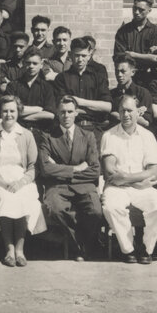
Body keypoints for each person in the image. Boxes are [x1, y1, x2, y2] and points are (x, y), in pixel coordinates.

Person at [100, 95, 157, 264]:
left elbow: (153, 172)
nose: (126, 115)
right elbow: (110, 171)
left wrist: (126, 178)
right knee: (111, 207)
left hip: (142, 188)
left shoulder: (148, 136)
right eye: (122, 110)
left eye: (130, 111)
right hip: (118, 188)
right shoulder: (109, 135)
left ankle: (146, 248)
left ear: (138, 113)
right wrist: (138, 180)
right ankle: (128, 249)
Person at [0, 95, 44, 267]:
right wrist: (2, 183)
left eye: (12, 111)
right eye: (5, 111)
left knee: (22, 198)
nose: (8, 114)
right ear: (0, 113)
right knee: (5, 199)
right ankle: (8, 249)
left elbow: (32, 167)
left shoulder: (27, 135)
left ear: (18, 112)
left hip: (21, 179)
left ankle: (20, 250)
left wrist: (20, 183)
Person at [38, 96, 103, 261]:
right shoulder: (48, 136)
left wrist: (60, 170)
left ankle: (82, 243)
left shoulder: (88, 136)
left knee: (95, 211)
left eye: (70, 112)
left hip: (84, 185)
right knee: (55, 209)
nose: (66, 116)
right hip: (58, 187)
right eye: (62, 112)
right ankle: (79, 246)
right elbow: (45, 168)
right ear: (57, 114)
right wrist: (76, 168)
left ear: (76, 113)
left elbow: (95, 170)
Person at [54, 38, 111, 129]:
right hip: (71, 128)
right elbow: (64, 109)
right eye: (77, 55)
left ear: (89, 56)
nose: (80, 59)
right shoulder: (61, 78)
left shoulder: (98, 77)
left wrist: (79, 101)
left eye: (83, 56)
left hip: (95, 128)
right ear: (70, 55)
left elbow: (107, 107)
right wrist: (96, 109)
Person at [113, 0, 157, 86]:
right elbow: (119, 57)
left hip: (150, 79)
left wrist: (133, 54)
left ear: (149, 10)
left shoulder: (156, 31)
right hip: (129, 79)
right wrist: (147, 56)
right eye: (134, 8)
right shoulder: (123, 31)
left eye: (141, 10)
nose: (136, 12)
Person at [109, 54, 152, 129]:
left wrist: (118, 115)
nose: (119, 75)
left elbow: (145, 122)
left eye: (123, 71)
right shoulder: (111, 94)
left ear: (133, 72)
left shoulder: (143, 93)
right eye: (117, 71)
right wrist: (134, 114)